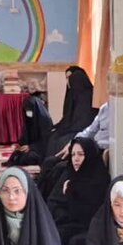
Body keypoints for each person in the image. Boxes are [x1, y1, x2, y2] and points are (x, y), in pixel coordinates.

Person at [46, 136, 110, 245]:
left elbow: (91, 212)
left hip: (87, 227)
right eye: (73, 154)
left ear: (90, 155)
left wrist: (72, 190)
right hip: (65, 222)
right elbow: (53, 201)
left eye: (81, 154)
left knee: (74, 243)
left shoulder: (100, 179)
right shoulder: (68, 174)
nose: (76, 159)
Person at [36, 66, 96, 195]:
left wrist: (65, 130)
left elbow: (84, 122)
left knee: (59, 141)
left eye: (70, 78)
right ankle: (46, 173)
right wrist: (59, 127)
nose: (68, 82)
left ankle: (53, 175)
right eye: (67, 78)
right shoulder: (72, 94)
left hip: (81, 131)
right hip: (74, 129)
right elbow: (68, 118)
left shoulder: (89, 95)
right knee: (52, 136)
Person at [4, 89, 54, 167]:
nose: (28, 112)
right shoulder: (29, 118)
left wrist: (31, 147)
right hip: (31, 147)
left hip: (41, 149)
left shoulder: (45, 120)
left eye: (29, 109)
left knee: (30, 157)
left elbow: (46, 140)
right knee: (17, 153)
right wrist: (21, 145)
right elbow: (26, 133)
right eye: (26, 109)